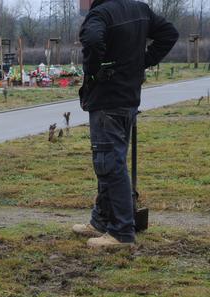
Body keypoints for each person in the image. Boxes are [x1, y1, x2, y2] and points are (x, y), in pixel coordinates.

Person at [74, 0, 178, 249]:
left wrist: (94, 71)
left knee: (110, 163)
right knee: (110, 161)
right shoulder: (139, 9)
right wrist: (142, 62)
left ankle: (121, 232)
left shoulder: (99, 14)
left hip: (108, 100)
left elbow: (92, 40)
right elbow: (169, 34)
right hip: (128, 97)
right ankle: (101, 220)